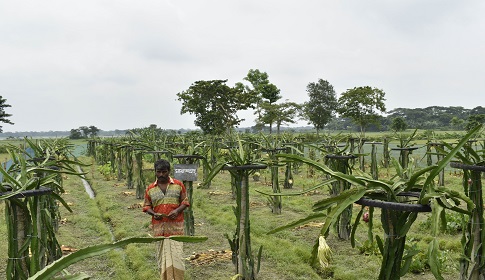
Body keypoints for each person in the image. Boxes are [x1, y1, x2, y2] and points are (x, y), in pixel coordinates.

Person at [143, 159, 189, 280]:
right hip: (159, 229)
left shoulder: (178, 185)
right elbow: (146, 206)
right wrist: (153, 213)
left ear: (169, 171)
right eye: (159, 172)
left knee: (177, 256)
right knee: (162, 257)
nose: (161, 174)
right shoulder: (150, 189)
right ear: (155, 172)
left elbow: (185, 202)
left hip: (175, 229)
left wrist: (177, 211)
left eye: (164, 172)